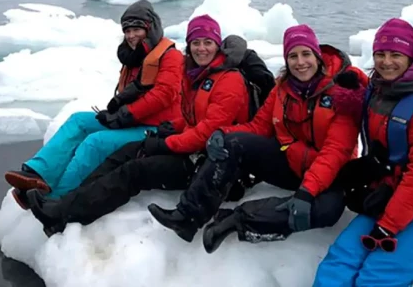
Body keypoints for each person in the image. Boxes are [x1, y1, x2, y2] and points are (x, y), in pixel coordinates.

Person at [24, 15, 275, 236]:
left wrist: (165, 142)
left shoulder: (228, 81)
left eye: (207, 43)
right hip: (192, 147)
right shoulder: (198, 75)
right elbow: (192, 119)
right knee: (125, 153)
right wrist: (172, 126)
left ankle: (65, 214)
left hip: (210, 163)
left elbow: (207, 132)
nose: (201, 49)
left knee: (135, 171)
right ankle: (66, 204)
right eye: (196, 43)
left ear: (217, 46)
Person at [148, 24, 368, 252]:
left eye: (306, 54)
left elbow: (336, 151)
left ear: (317, 56)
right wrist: (222, 133)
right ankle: (187, 216)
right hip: (291, 163)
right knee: (234, 144)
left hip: (330, 174)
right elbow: (259, 127)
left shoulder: (343, 93)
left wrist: (307, 191)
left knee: (326, 211)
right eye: (293, 56)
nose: (300, 62)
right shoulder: (282, 89)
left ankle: (235, 220)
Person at [312, 18, 413, 287]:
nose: (386, 62)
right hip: (390, 197)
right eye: (380, 54)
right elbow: (369, 90)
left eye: (396, 54)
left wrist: (388, 225)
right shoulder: (380, 90)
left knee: (377, 274)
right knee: (340, 260)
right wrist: (355, 80)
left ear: (412, 58)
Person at [4, 0, 184, 207]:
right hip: (135, 120)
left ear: (150, 28)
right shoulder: (136, 58)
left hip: (157, 128)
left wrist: (125, 115)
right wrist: (115, 113)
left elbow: (164, 94)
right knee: (78, 121)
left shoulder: (171, 57)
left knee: (96, 142)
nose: (132, 36)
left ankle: (55, 198)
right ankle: (38, 174)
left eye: (137, 29)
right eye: (127, 31)